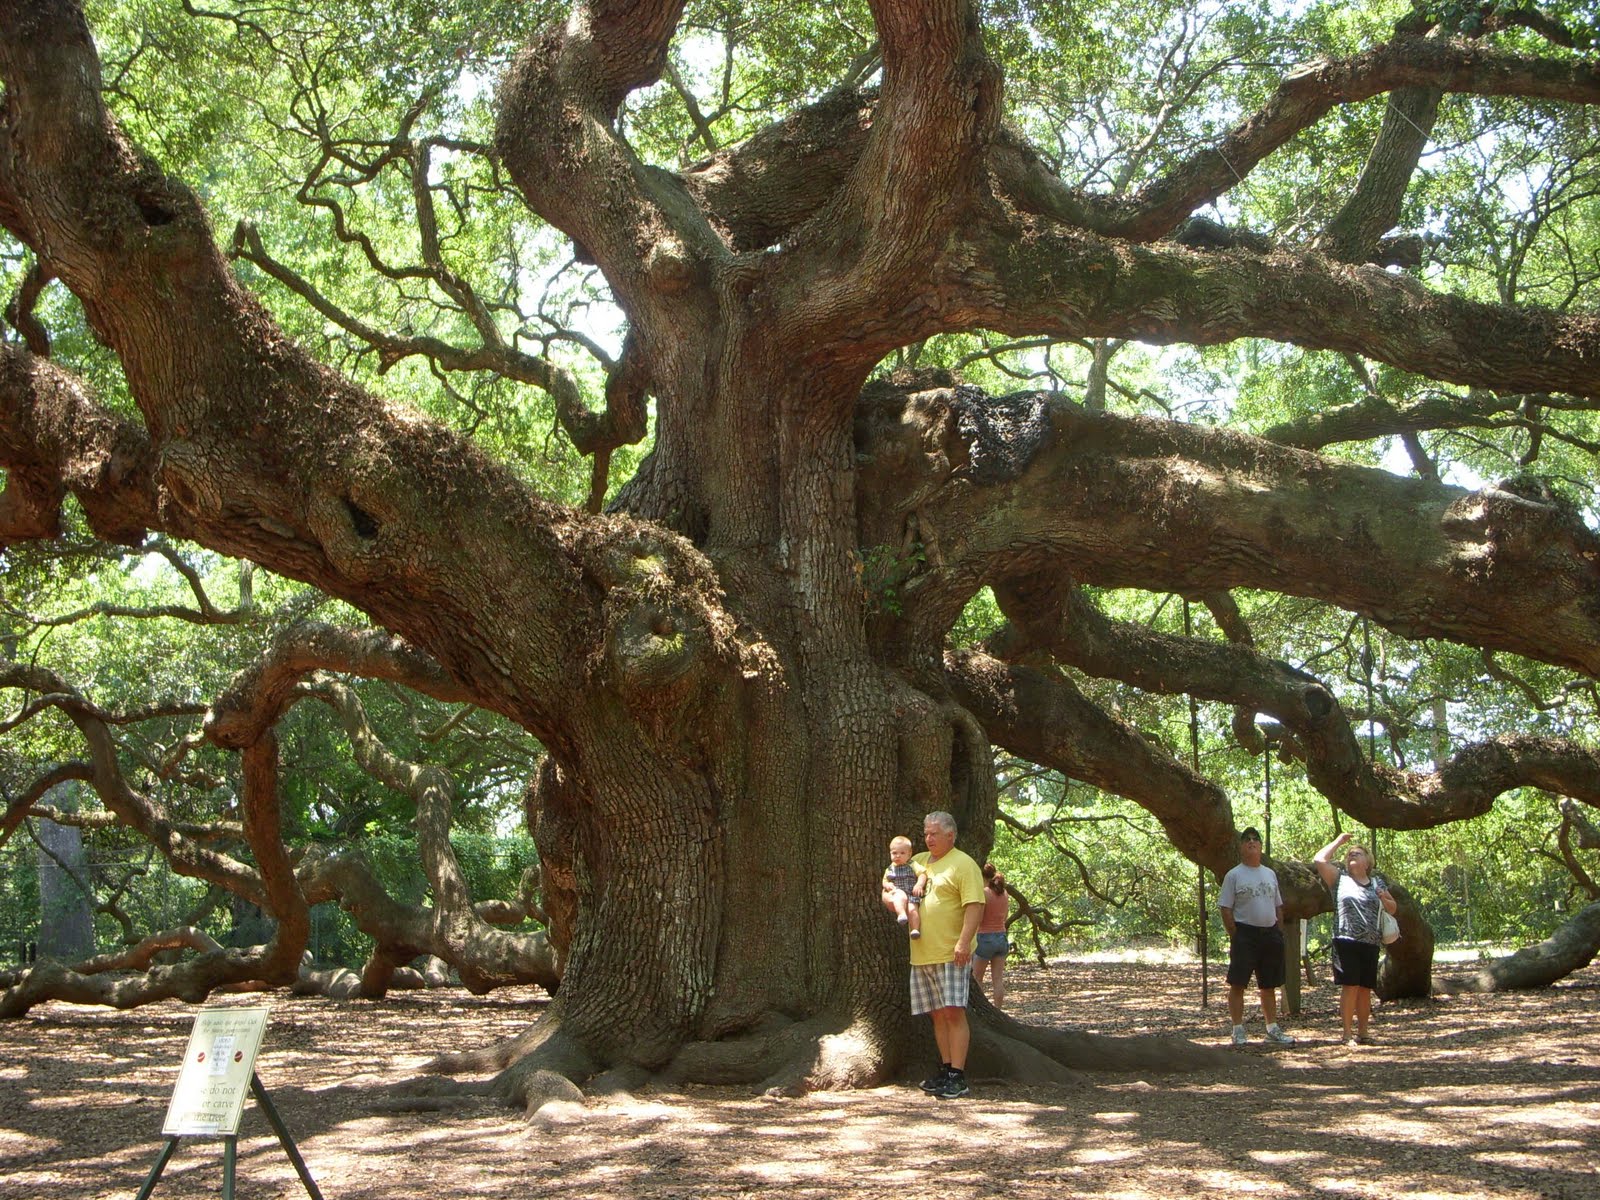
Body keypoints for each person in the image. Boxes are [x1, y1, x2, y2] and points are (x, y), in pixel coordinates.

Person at [909, 810, 986, 1100]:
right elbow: (892, 881)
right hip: (922, 953)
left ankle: (958, 1075)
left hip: (952, 952)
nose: (928, 839)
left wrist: (964, 942)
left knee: (953, 1011)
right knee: (937, 1014)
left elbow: (975, 906)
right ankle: (945, 1068)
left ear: (950, 835)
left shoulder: (963, 864)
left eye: (934, 834)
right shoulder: (918, 861)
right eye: (926, 833)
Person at [1313, 830, 1398, 1046]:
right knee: (1350, 986)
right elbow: (1319, 860)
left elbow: (1393, 908)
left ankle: (1364, 1033)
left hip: (1370, 943)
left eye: (1358, 853)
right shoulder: (1339, 879)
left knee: (1365, 989)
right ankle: (1347, 1034)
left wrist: (1384, 898)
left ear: (1368, 862)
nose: (1352, 855)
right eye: (1350, 853)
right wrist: (1339, 841)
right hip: (1346, 940)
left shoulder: (1377, 883)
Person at [1218, 827, 1295, 1047]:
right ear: (1241, 847)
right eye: (1247, 840)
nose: (1251, 842)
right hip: (1245, 934)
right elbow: (1225, 908)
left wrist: (1278, 931)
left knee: (1269, 985)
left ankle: (1272, 1029)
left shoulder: (1269, 874)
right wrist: (1236, 934)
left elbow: (1278, 905)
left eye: (1255, 839)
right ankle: (1237, 1030)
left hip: (1270, 934)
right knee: (1238, 983)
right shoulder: (1234, 875)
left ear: (1261, 846)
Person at [970, 862, 1012, 1009]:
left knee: (977, 978)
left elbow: (979, 918)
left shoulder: (984, 893)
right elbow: (1005, 917)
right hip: (1001, 937)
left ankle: (982, 1010)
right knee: (998, 979)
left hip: (985, 938)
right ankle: (998, 1010)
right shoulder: (1004, 893)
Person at [881, 835, 926, 938]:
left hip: (911, 893)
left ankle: (915, 929)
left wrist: (919, 885)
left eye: (902, 853)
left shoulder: (913, 864)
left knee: (913, 910)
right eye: (894, 853)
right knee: (899, 898)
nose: (898, 856)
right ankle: (901, 914)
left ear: (909, 854)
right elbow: (884, 881)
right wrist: (887, 885)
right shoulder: (890, 868)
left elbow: (922, 874)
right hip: (898, 891)